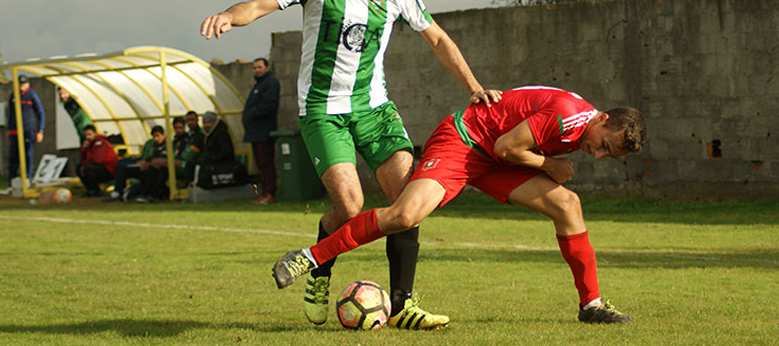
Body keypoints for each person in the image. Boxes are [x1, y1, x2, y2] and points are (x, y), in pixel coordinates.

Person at [199, 0, 499, 329]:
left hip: (374, 110)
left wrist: (473, 87)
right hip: (323, 112)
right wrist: (230, 16)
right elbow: (258, 5)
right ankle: (319, 272)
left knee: (408, 199)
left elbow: (437, 38)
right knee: (350, 204)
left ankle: (403, 306)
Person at [272, 86, 647, 325]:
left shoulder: (583, 125)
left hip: (497, 157)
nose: (598, 154)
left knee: (568, 205)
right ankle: (308, 257)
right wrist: (550, 165)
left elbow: (510, 139)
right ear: (602, 118)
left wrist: (545, 163)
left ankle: (591, 305)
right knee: (405, 215)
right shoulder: (567, 115)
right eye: (603, 145)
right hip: (465, 142)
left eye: (608, 155)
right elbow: (507, 147)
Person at [242, 58, 280, 205]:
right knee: (260, 164)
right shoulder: (259, 84)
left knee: (266, 163)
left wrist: (251, 113)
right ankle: (264, 194)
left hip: (264, 131)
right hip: (255, 132)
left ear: (267, 67)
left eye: (259, 67)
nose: (257, 70)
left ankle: (270, 194)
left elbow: (269, 105)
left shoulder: (271, 83)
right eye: (255, 68)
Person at [106, 125, 168, 202]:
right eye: (154, 136)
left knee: (150, 171)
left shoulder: (168, 145)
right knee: (121, 165)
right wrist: (143, 162)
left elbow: (164, 159)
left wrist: (148, 163)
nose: (156, 138)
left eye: (158, 136)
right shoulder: (150, 144)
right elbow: (146, 157)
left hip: (154, 168)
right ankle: (118, 192)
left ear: (164, 135)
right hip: (145, 166)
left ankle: (146, 195)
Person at [7, 75, 45, 184]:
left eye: (24, 83)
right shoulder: (13, 95)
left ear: (28, 84)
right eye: (20, 83)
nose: (22, 85)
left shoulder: (32, 95)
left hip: (28, 130)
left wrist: (40, 130)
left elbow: (41, 113)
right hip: (15, 131)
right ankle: (12, 181)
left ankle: (28, 178)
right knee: (13, 156)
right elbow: (10, 113)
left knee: (27, 155)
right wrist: (9, 128)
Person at [184, 111, 236, 184]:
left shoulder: (221, 134)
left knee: (192, 165)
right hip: (216, 162)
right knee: (191, 164)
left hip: (223, 164)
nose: (206, 125)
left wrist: (212, 160)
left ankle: (193, 185)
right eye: (204, 123)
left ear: (215, 122)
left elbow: (226, 152)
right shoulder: (211, 134)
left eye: (209, 122)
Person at [78, 125, 119, 197]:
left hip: (110, 170)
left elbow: (97, 160)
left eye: (89, 134)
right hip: (99, 168)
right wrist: (84, 150)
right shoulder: (90, 144)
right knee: (79, 167)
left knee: (87, 168)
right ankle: (90, 190)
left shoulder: (101, 142)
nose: (87, 137)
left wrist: (84, 165)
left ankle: (95, 190)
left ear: (95, 134)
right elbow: (83, 160)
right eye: (86, 135)